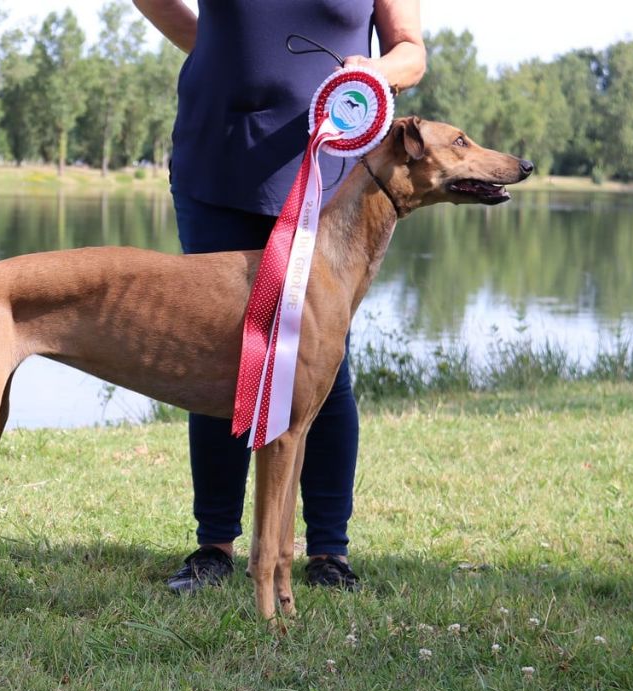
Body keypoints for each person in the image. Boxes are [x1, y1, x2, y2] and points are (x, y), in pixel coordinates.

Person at [133, 0, 426, 592]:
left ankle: (327, 553)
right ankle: (213, 547)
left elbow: (410, 52)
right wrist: (209, 48)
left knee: (323, 364)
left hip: (327, 169)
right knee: (219, 350)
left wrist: (375, 73)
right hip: (218, 157)